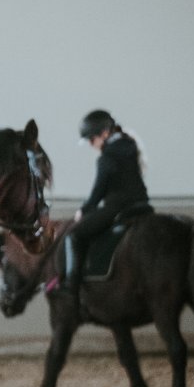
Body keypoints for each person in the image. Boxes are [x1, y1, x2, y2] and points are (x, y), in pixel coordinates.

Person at [60, 110, 150, 306]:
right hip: (142, 205)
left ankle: (70, 286)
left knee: (73, 236)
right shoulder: (130, 146)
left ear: (104, 134)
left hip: (118, 207)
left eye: (91, 139)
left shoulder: (106, 156)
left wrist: (83, 211)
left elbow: (98, 191)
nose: (91, 145)